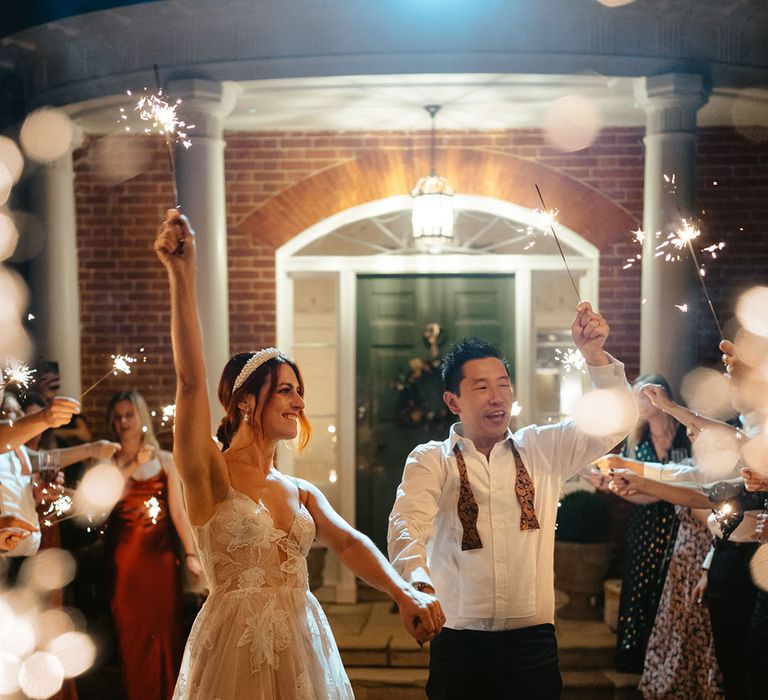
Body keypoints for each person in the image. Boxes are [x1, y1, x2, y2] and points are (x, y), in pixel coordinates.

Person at [154, 209, 443, 700]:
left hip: (303, 648)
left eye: (298, 391)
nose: (299, 402)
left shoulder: (300, 491)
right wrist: (182, 275)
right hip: (234, 653)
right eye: (286, 390)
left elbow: (350, 544)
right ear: (246, 401)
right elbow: (188, 382)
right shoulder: (210, 473)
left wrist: (403, 593)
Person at [387, 304, 636, 700]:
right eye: (481, 387)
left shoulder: (543, 447)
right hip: (458, 640)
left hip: (532, 644)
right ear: (453, 401)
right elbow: (406, 525)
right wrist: (416, 584)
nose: (496, 396)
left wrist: (595, 356)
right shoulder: (430, 459)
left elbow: (616, 422)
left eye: (504, 384)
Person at [103, 389, 202, 700]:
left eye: (129, 415)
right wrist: (132, 465)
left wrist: (189, 553)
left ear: (141, 418)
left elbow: (178, 512)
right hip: (124, 562)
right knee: (131, 637)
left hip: (159, 561)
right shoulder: (107, 460)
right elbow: (102, 503)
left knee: (166, 634)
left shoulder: (165, 460)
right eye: (117, 417)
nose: (123, 422)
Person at [611, 375, 691, 673]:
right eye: (636, 398)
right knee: (638, 586)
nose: (640, 404)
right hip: (645, 523)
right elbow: (633, 490)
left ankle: (666, 657)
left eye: (644, 396)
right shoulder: (637, 442)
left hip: (682, 523)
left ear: (663, 397)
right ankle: (633, 655)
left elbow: (695, 482)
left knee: (669, 589)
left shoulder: (686, 437)